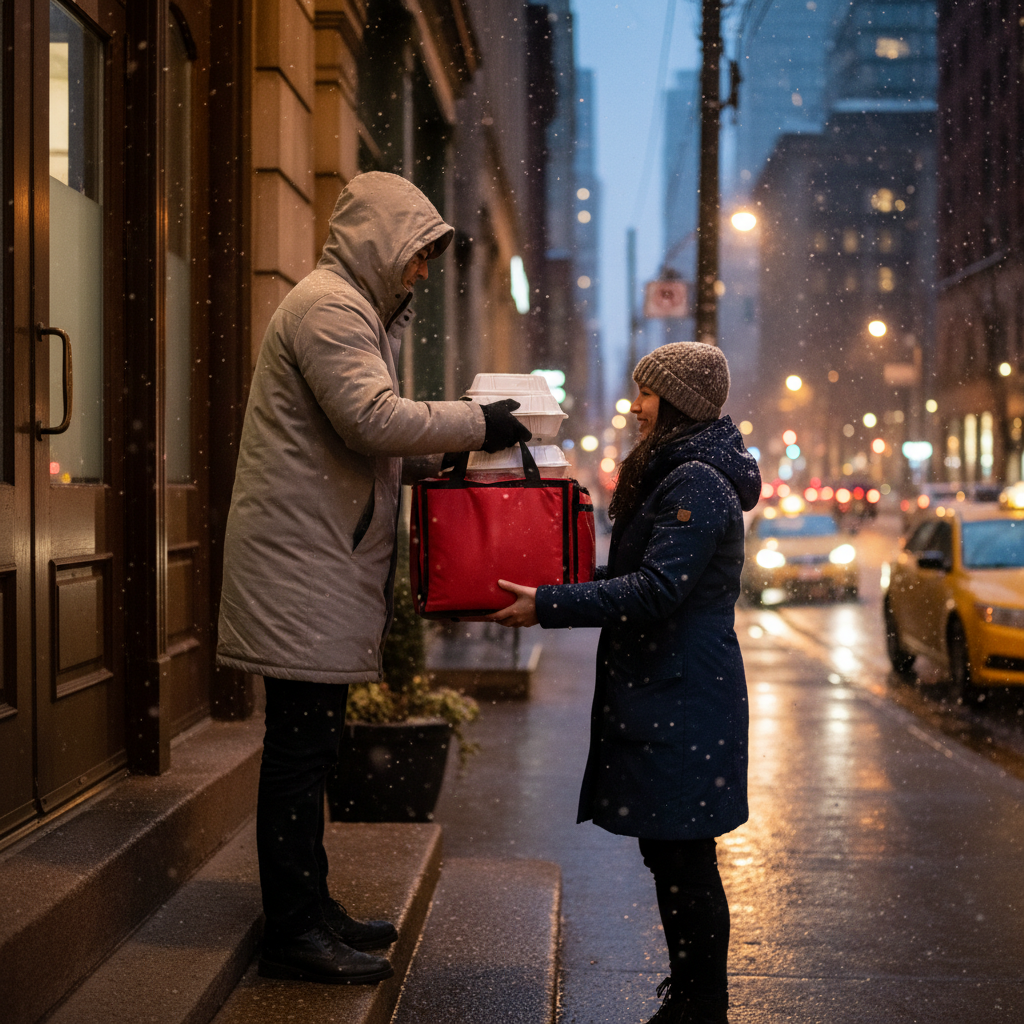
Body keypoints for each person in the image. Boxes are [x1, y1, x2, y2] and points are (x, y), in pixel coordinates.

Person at [216, 171, 529, 985]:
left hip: (316, 556)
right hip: (301, 562)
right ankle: (293, 929)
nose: (421, 273)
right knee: (298, 750)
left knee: (311, 748)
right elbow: (371, 420)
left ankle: (309, 907)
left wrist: (448, 452)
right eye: (417, 256)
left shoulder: (351, 309)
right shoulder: (329, 307)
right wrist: (475, 422)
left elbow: (371, 437)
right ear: (380, 241)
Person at [491, 342, 761, 1024]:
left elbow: (657, 589)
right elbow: (635, 582)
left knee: (684, 860)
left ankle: (701, 1006)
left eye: (646, 393)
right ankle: (693, 1000)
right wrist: (560, 589)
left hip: (684, 693)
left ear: (677, 403)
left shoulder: (696, 481)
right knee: (670, 855)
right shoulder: (679, 472)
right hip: (669, 691)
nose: (636, 406)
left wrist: (550, 605)